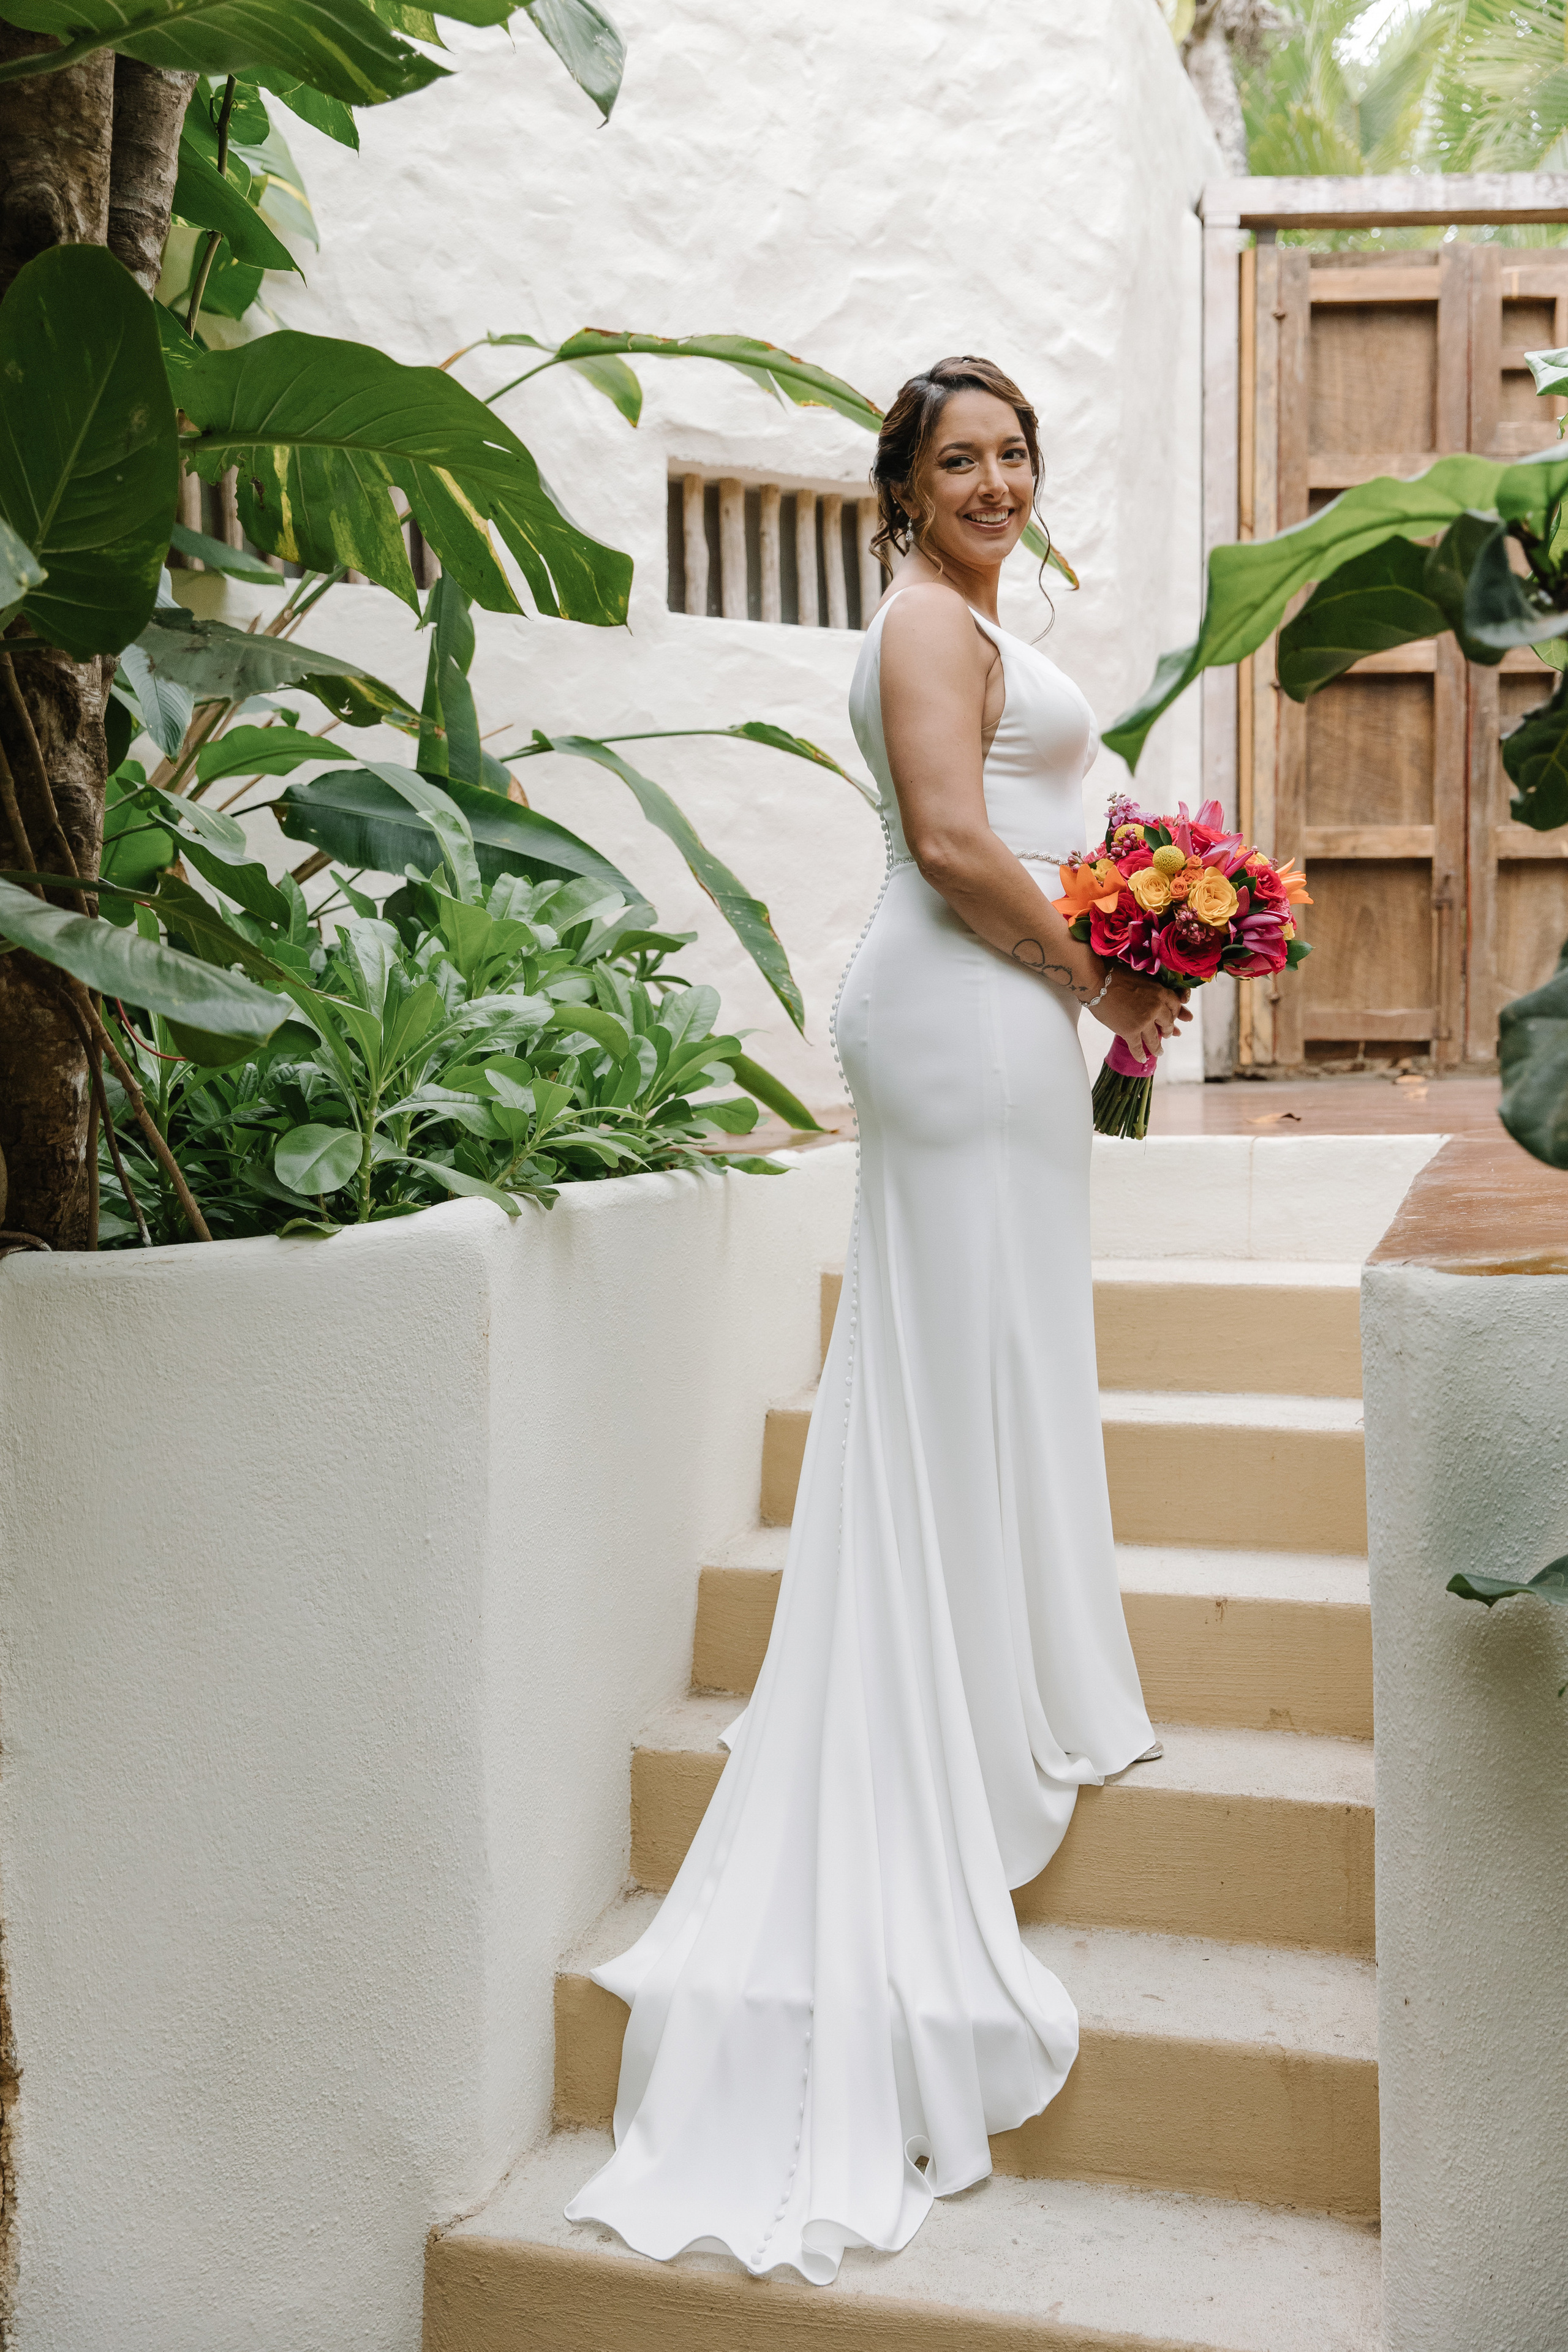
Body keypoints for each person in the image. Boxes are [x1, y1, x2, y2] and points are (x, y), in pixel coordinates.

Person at [567, 355, 1191, 2286]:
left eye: (1015, 455)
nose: (995, 481)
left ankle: (1006, 1652)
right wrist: (1107, 970)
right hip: (960, 1014)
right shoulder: (924, 619)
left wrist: (1159, 911)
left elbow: (1018, 804)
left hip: (1002, 1012)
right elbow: (945, 840)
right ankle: (960, 1692)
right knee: (958, 1354)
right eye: (959, 460)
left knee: (997, 1351)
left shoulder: (981, 614)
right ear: (902, 492)